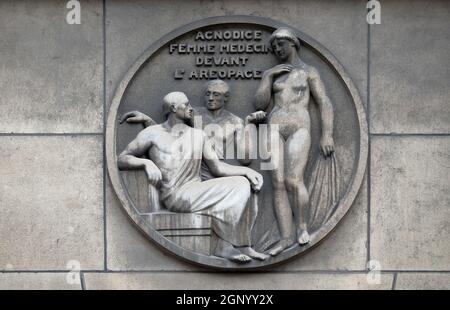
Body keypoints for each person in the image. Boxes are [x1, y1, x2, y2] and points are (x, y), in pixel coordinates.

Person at [118, 91, 268, 263]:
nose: (191, 108)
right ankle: (224, 246)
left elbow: (217, 167)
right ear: (174, 108)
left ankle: (241, 244)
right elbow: (122, 158)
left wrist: (247, 171)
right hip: (175, 196)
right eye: (186, 104)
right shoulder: (151, 134)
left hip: (195, 188)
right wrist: (146, 164)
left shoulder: (198, 135)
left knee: (243, 183)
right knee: (240, 186)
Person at [254, 27, 335, 255]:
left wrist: (327, 133)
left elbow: (324, 102)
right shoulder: (272, 74)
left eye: (280, 45)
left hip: (299, 128)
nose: (277, 49)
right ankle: (285, 237)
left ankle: (302, 228)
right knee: (278, 184)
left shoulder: (309, 72)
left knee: (294, 180)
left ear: (292, 44)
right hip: (274, 128)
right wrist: (268, 77)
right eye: (273, 47)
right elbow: (260, 104)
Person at [119, 79, 265, 180]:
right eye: (208, 94)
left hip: (219, 169)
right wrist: (147, 120)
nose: (211, 98)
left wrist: (249, 124)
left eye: (216, 94)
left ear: (226, 98)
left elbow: (245, 159)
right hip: (192, 169)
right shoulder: (194, 114)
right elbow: (169, 132)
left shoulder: (235, 122)